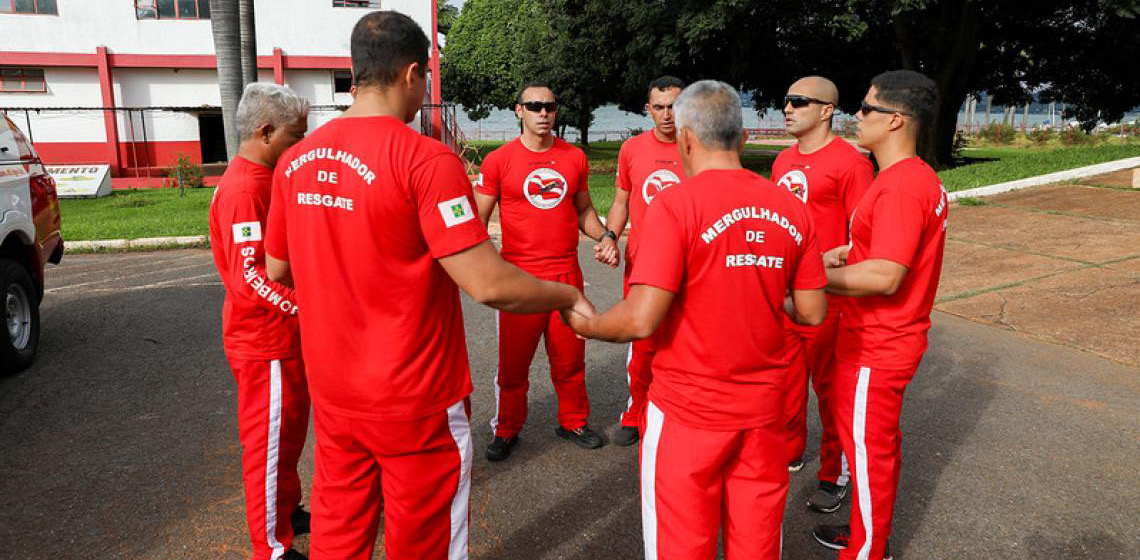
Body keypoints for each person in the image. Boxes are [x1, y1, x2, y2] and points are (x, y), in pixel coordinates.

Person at [263, 12, 592, 560]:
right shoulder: (426, 159)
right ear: (414, 73)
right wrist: (567, 295)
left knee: (338, 536)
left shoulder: (295, 160)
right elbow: (487, 283)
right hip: (416, 398)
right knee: (426, 542)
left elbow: (278, 267)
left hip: (338, 393)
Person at [564, 80, 828, 560]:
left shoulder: (675, 205)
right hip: (765, 412)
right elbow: (812, 311)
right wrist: (761, 291)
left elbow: (642, 318)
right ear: (742, 138)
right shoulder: (792, 209)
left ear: (685, 138)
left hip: (690, 412)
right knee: (758, 541)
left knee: (681, 543)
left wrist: (588, 324)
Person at [811, 70, 948, 560]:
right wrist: (846, 252)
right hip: (875, 338)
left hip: (879, 341)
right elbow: (881, 250)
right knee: (869, 445)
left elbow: (887, 275)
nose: (857, 115)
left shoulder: (902, 187)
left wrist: (804, 277)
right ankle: (865, 532)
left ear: (895, 121)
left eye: (866, 108)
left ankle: (868, 550)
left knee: (870, 453)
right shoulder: (903, 179)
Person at [473, 83, 616, 461]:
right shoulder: (499, 161)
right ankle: (507, 429)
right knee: (513, 366)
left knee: (570, 360)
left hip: (566, 272)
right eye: (534, 106)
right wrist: (486, 273)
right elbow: (476, 222)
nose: (543, 113)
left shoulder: (573, 158)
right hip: (520, 278)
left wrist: (606, 236)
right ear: (518, 110)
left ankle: (573, 421)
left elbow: (584, 210)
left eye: (549, 106)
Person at [208, 82, 311, 560]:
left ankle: (286, 510)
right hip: (264, 342)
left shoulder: (269, 176)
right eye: (297, 135)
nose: (303, 144)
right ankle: (270, 546)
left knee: (287, 436)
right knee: (268, 446)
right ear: (266, 132)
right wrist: (308, 308)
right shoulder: (244, 190)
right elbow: (249, 278)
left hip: (285, 339)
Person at [771, 76, 873, 513]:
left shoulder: (851, 164)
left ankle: (835, 472)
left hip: (831, 301)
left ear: (827, 110)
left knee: (831, 391)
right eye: (785, 101)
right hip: (784, 297)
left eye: (798, 101)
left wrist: (836, 257)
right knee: (783, 382)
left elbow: (865, 237)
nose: (788, 109)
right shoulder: (780, 162)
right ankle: (790, 450)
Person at [603, 75, 686, 446]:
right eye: (660, 107)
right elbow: (621, 201)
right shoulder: (632, 149)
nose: (668, 115)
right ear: (648, 109)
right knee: (643, 346)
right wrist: (610, 236)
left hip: (692, 265)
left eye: (675, 106)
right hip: (643, 265)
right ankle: (636, 412)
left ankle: (681, 416)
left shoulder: (699, 147)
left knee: (687, 345)